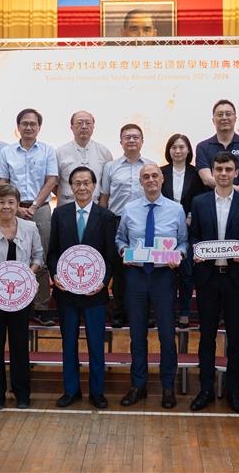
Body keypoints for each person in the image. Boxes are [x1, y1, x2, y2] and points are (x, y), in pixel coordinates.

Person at [188, 153, 239, 413]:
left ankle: (233, 391)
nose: (224, 173)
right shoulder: (199, 202)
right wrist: (196, 248)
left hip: (235, 279)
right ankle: (205, 389)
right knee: (206, 337)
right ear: (213, 172)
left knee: (235, 339)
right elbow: (193, 236)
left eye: (229, 169)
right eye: (219, 169)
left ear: (236, 172)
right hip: (207, 279)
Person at [115, 164, 188, 409]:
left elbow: (183, 242)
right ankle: (138, 385)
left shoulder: (176, 209)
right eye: (145, 176)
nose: (150, 180)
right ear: (140, 181)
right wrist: (124, 251)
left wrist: (178, 255)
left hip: (163, 277)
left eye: (154, 175)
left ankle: (168, 387)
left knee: (167, 335)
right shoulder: (130, 209)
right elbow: (121, 238)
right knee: (137, 335)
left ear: (162, 179)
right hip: (136, 276)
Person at [0, 184, 44, 409]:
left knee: (20, 345)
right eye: (1, 202)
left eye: (11, 202)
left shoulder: (30, 228)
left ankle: (22, 393)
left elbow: (38, 257)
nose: (6, 206)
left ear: (17, 204)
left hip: (21, 297)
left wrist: (26, 276)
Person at [48, 167, 115, 409]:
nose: (82, 187)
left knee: (96, 344)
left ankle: (97, 392)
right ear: (70, 186)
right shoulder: (60, 214)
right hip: (66, 292)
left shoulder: (106, 217)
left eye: (87, 183)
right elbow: (53, 252)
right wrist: (57, 274)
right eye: (77, 183)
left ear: (94, 186)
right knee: (69, 344)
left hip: (94, 294)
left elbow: (110, 257)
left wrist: (102, 281)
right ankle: (71, 390)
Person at [0, 108, 58, 326]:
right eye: (24, 123)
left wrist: (34, 205)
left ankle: (40, 307)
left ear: (39, 127)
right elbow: (2, 181)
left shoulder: (48, 151)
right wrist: (15, 207)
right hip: (11, 209)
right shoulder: (7, 152)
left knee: (41, 256)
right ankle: (16, 300)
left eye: (33, 124)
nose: (28, 127)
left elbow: (51, 180)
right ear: (18, 127)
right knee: (13, 255)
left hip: (39, 209)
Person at [99, 124, 155, 327]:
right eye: (127, 137)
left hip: (143, 223)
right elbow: (104, 197)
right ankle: (118, 313)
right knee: (119, 269)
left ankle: (144, 313)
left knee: (144, 268)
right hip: (116, 221)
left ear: (142, 141)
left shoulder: (150, 166)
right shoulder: (110, 167)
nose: (131, 140)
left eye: (135, 137)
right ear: (120, 141)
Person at [160, 133, 207, 327]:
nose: (178, 151)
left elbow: (202, 200)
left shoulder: (197, 174)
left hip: (189, 228)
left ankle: (185, 311)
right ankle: (166, 309)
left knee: (187, 272)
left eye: (182, 147)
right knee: (166, 271)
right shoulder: (160, 172)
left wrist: (191, 216)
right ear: (168, 150)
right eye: (174, 147)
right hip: (165, 229)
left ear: (188, 150)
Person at [195, 99, 239, 195]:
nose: (224, 118)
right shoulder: (202, 147)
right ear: (213, 120)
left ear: (235, 118)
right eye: (220, 115)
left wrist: (234, 194)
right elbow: (207, 179)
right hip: (211, 203)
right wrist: (237, 190)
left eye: (228, 114)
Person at [55, 110, 113, 206]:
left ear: (93, 127)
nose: (84, 126)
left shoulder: (104, 152)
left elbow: (108, 184)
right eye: (79, 123)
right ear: (72, 127)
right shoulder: (60, 152)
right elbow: (54, 183)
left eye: (88, 123)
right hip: (67, 205)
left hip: (95, 205)